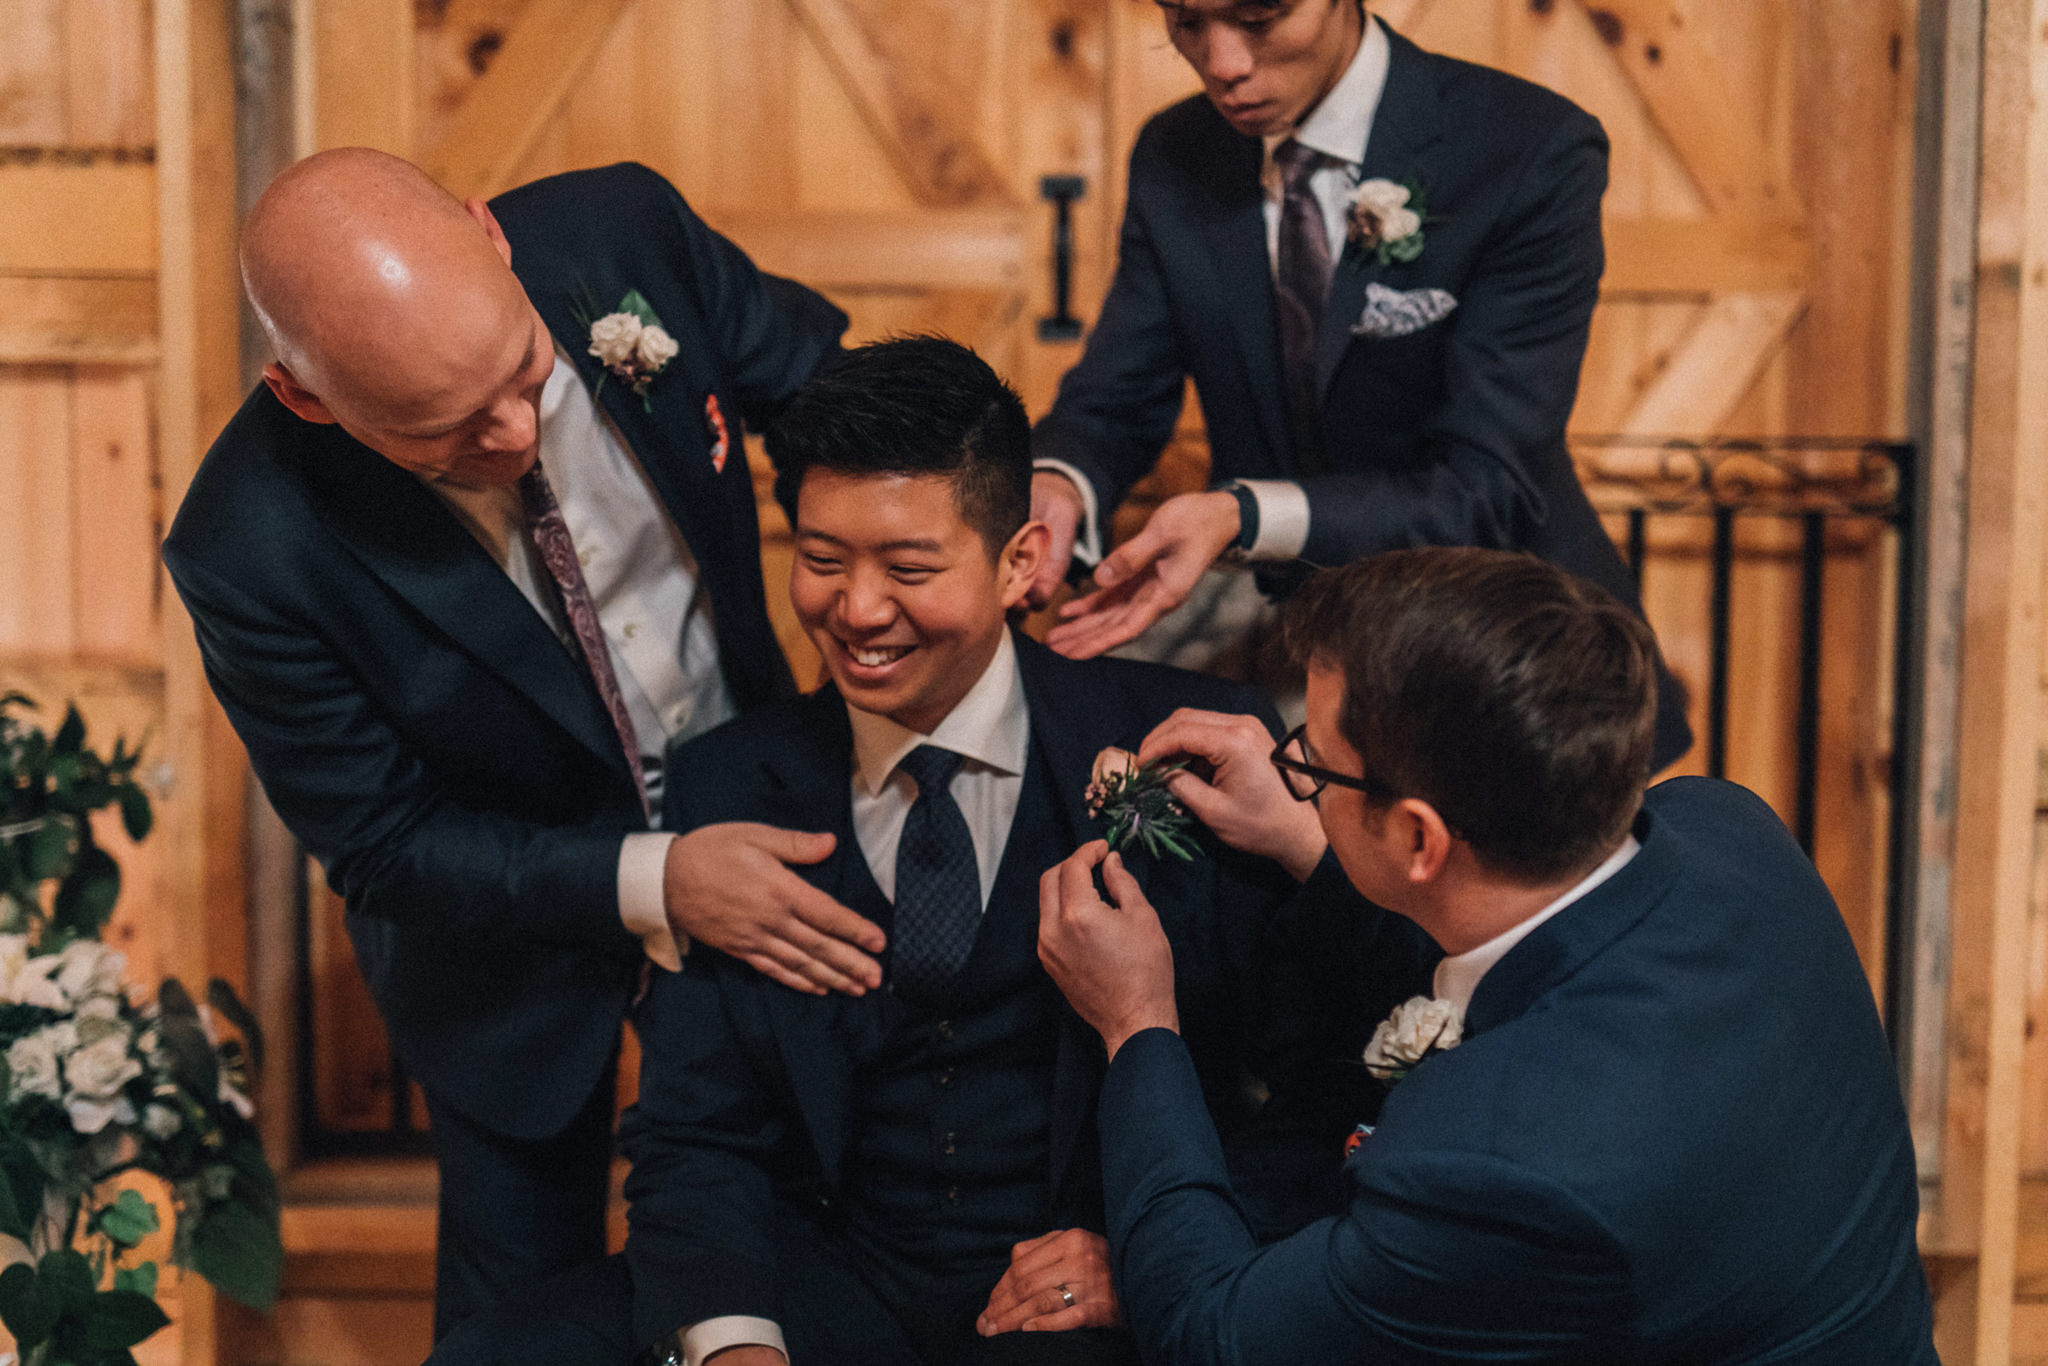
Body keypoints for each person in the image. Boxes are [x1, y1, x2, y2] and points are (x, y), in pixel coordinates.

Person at [428, 337, 1434, 1366]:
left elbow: (1332, 1082)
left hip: (1076, 1286)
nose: (856, 610)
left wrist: (1157, 1248)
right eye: (820, 560)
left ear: (1017, 561)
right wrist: (736, 1343)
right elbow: (695, 1134)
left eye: (908, 568)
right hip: (822, 1272)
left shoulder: (1188, 748)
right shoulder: (726, 782)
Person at [161, 148, 895, 1338]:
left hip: (767, 820)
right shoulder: (246, 546)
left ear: (490, 238)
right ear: (307, 399)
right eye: (443, 434)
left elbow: (826, 394)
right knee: (517, 1326)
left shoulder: (623, 232)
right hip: (505, 960)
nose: (515, 434)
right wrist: (660, 877)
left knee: (812, 1247)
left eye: (524, 374)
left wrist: (882, 607)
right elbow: (385, 843)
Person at [1037, 547, 1937, 1364]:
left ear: (1422, 838)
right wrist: (1310, 840)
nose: (1293, 775)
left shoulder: (1501, 1170)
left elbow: (1213, 1334)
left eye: (1310, 762)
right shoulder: (1729, 830)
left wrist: (1137, 1023)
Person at [1026, 0, 1691, 767]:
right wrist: (1060, 483)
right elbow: (1116, 398)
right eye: (1186, 22)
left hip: (1501, 652)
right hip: (1285, 652)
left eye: (1260, 17)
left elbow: (1487, 485)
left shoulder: (1526, 148)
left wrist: (1242, 514)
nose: (1223, 64)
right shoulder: (1176, 153)